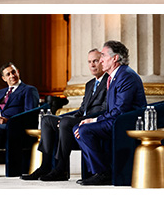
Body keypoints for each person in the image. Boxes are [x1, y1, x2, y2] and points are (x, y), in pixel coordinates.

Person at [22, 49, 107, 182]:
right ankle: (45, 166)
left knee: (66, 123)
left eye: (95, 61)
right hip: (80, 118)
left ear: (102, 62)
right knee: (47, 120)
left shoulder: (108, 82)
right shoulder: (90, 84)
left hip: (93, 121)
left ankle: (61, 169)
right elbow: (82, 109)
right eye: (89, 62)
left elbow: (103, 110)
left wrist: (70, 120)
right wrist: (70, 118)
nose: (92, 65)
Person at [74, 40, 146, 185]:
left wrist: (94, 120)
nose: (100, 60)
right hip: (116, 119)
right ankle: (98, 171)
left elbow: (120, 110)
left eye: (103, 56)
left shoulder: (126, 76)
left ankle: (103, 173)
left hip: (127, 122)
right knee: (77, 128)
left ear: (115, 58)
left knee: (85, 130)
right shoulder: (115, 76)